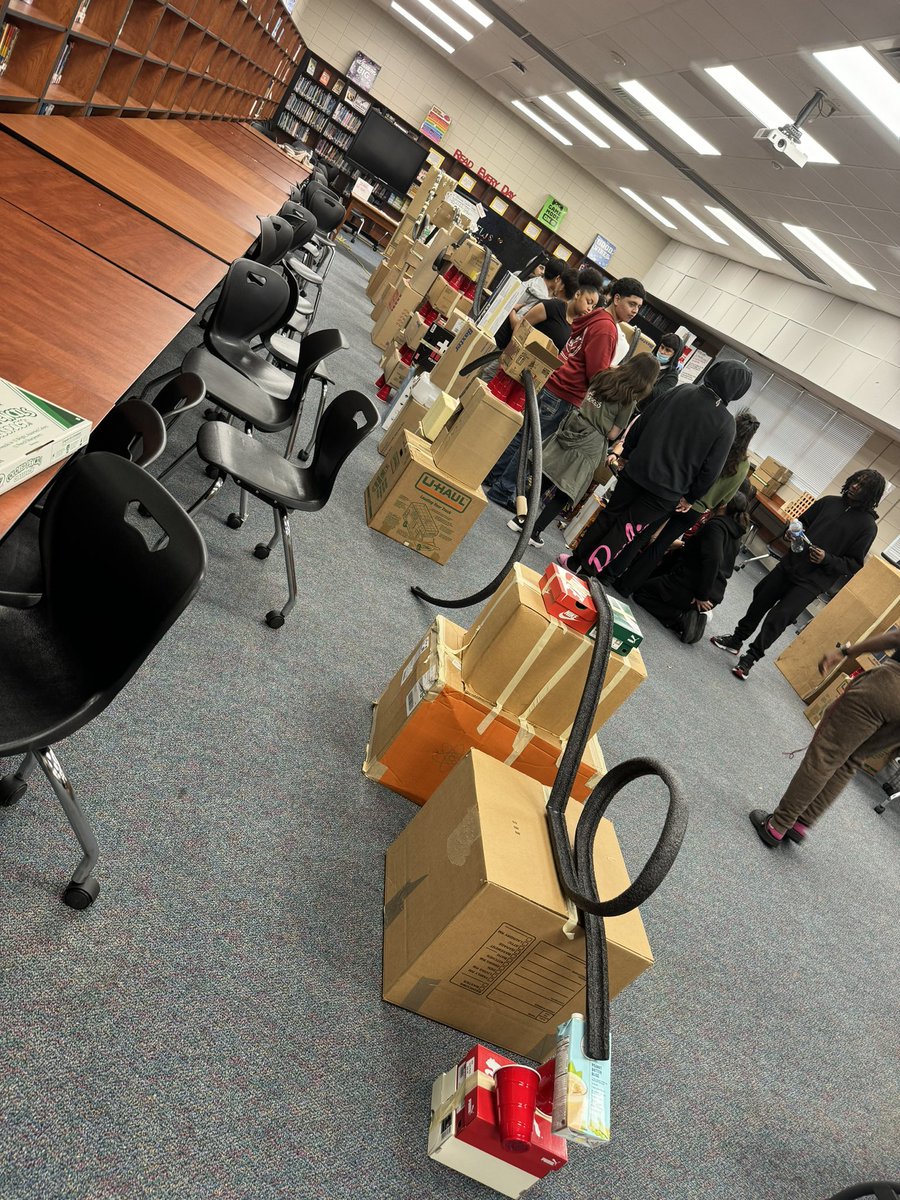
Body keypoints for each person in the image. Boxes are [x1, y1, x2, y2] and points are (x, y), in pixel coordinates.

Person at [560, 360, 749, 580]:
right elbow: (712, 468)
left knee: (609, 514)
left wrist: (627, 453)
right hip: (667, 491)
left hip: (637, 469)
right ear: (738, 391)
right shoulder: (726, 424)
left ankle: (574, 562)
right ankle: (587, 573)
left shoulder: (682, 390)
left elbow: (644, 419)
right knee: (626, 530)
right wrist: (691, 497)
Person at [485, 276, 646, 509]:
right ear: (617, 298)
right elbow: (596, 375)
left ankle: (495, 479)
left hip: (554, 384)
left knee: (524, 437)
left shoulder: (596, 316)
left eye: (638, 307)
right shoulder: (607, 329)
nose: (634, 311)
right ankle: (503, 490)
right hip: (564, 393)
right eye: (632, 304)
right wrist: (616, 373)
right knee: (532, 444)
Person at [711, 469, 886, 680]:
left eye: (863, 485)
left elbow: (853, 564)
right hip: (790, 565)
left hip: (813, 582)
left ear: (872, 494)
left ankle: (749, 659)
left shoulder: (867, 527)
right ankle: (736, 640)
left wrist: (827, 559)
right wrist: (791, 531)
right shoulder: (829, 502)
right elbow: (801, 523)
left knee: (779, 618)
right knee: (760, 600)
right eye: (856, 480)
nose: (856, 485)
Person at [750, 628, 900, 847]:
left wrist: (847, 652)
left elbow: (896, 637)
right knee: (851, 761)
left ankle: (778, 825)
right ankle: (801, 822)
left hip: (888, 686)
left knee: (827, 755)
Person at [506, 355, 660, 548]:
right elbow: (613, 433)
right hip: (590, 442)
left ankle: (520, 519)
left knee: (544, 475)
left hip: (573, 423)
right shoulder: (628, 400)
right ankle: (534, 531)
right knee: (565, 489)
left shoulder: (604, 374)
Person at [612, 407, 760, 596]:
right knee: (661, 546)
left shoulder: (716, 443)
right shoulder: (744, 465)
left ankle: (614, 572)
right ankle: (627, 587)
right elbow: (726, 499)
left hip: (678, 495)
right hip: (696, 510)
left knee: (643, 533)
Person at [631, 490, 750, 641]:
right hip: (714, 592)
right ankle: (686, 613)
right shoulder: (735, 532)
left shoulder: (716, 526)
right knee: (658, 584)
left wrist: (701, 595)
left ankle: (681, 617)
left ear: (724, 505)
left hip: (695, 590)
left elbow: (713, 560)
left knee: (642, 593)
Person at [495, 268, 579, 352]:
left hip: (509, 348)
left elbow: (518, 326)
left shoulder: (550, 305)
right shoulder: (568, 320)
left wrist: (512, 309)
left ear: (562, 286)